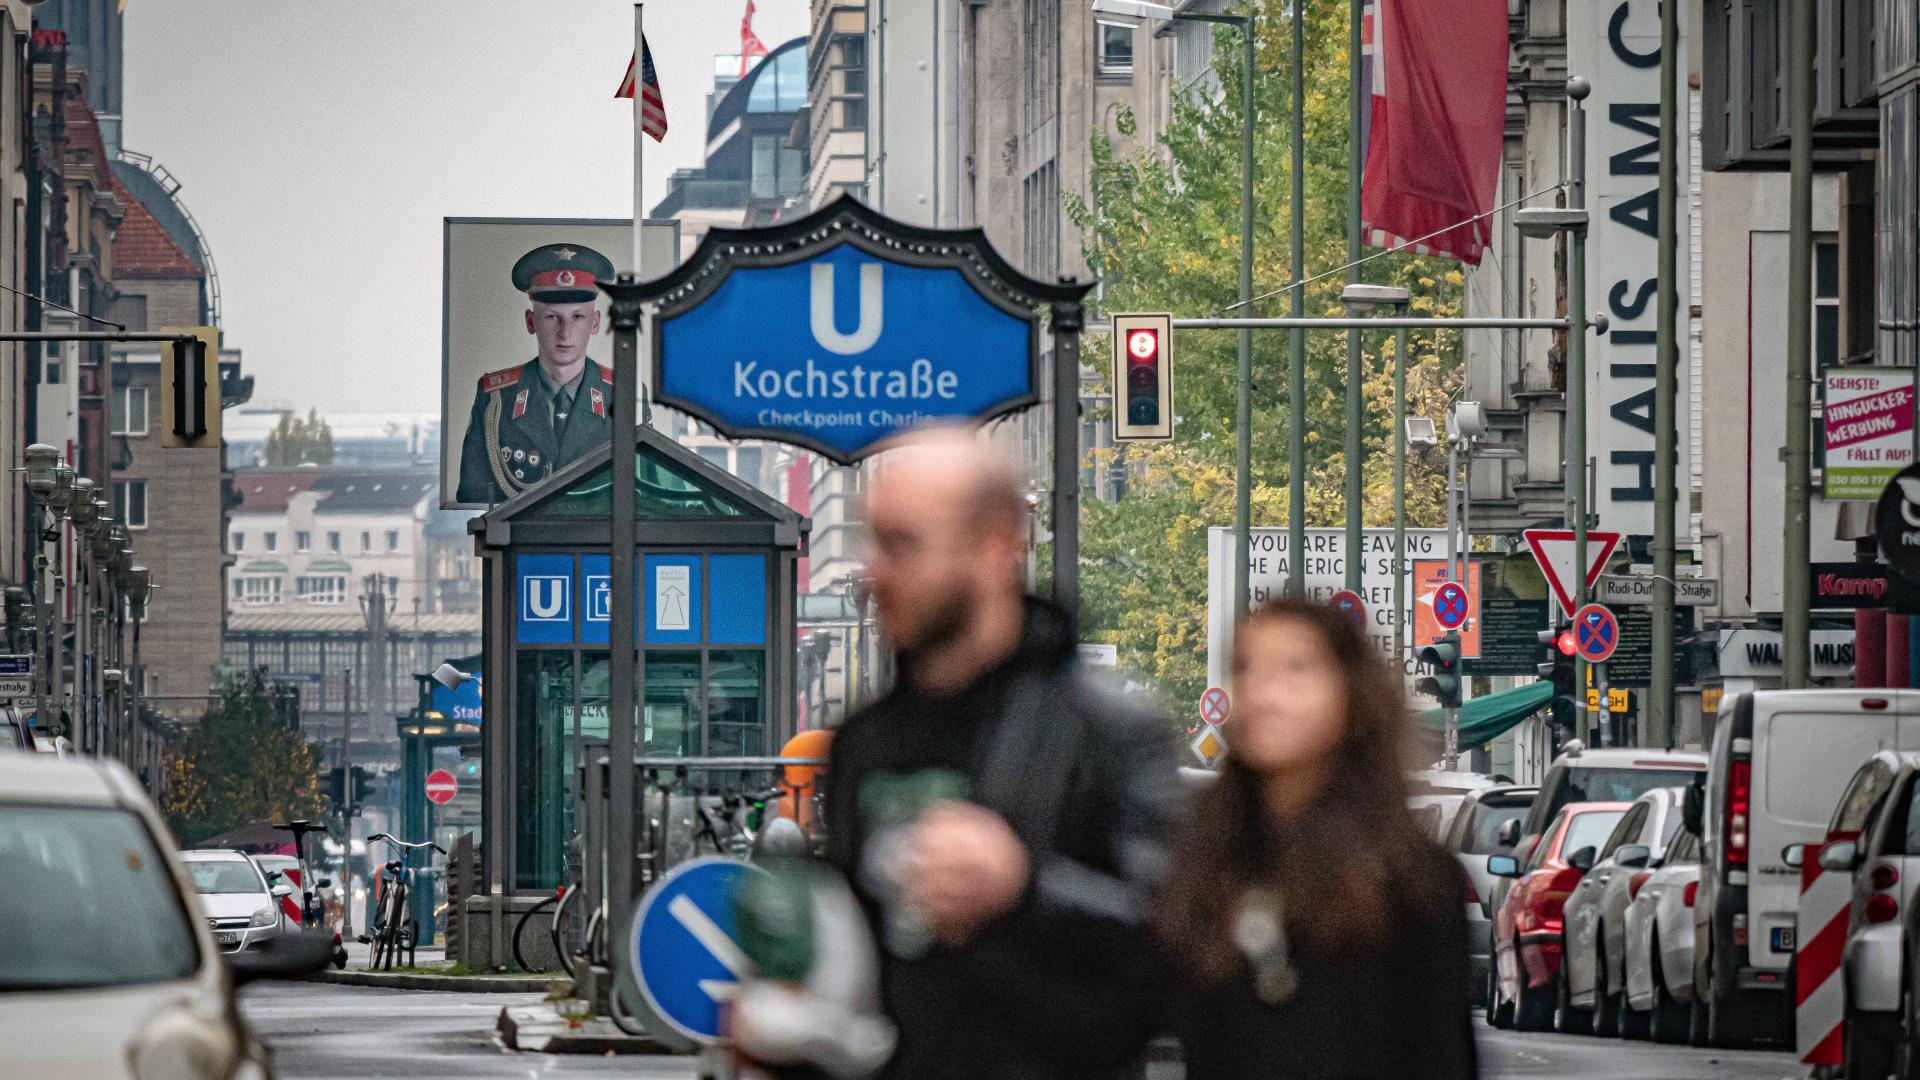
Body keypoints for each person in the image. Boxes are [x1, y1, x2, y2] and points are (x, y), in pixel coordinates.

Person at [820, 426, 1181, 1080]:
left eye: (903, 544)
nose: (875, 573)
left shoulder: (1109, 732)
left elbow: (1171, 955)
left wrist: (1024, 889)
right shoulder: (864, 741)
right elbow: (854, 978)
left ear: (994, 546)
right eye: (872, 541)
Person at [1158, 599, 1478, 1079]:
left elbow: (1440, 1058)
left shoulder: (1413, 879)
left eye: (1294, 668)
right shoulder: (1203, 858)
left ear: (1351, 694)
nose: (1263, 693)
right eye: (1247, 669)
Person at [456, 242, 618, 504]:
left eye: (577, 317)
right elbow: (472, 496)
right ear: (531, 322)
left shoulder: (621, 394)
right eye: (552, 317)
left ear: (595, 323)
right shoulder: (497, 398)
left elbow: (645, 496)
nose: (565, 332)